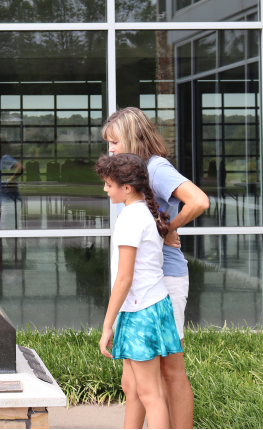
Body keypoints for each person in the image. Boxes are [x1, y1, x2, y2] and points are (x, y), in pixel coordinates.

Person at [103, 107, 209, 429]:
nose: (110, 149)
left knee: (170, 371)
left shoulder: (156, 168)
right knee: (133, 382)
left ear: (133, 137)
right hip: (140, 287)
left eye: (114, 142)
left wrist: (168, 228)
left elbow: (199, 201)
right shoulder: (132, 177)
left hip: (163, 280)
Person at [96, 153, 182, 430]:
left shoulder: (131, 219)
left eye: (109, 185)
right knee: (131, 388)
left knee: (149, 394)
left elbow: (124, 278)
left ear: (127, 187)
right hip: (151, 306)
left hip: (140, 310)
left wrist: (107, 326)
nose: (105, 189)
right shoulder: (143, 211)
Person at [0, 136, 23, 229]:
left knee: (8, 236)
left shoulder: (5, 159)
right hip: (7, 202)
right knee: (9, 235)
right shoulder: (1, 163)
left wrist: (10, 180)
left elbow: (20, 167)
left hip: (9, 203)